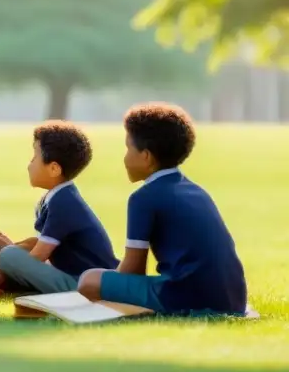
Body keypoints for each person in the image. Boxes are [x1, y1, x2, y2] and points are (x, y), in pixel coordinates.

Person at [78, 103, 248, 316]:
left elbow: (133, 270)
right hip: (233, 300)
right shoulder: (196, 191)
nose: (125, 158)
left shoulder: (143, 198)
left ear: (146, 156)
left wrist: (110, 283)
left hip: (186, 298)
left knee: (89, 280)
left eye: (128, 149)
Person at [0, 121, 117, 294]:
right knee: (1, 268)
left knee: (7, 257)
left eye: (34, 157)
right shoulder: (55, 198)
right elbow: (41, 245)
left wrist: (5, 251)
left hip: (86, 285)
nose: (29, 164)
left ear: (54, 168)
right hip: (76, 278)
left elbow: (38, 256)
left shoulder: (64, 202)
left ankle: (31, 289)